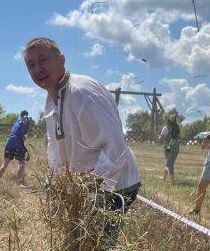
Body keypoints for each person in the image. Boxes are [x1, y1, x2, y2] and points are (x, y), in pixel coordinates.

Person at [23, 37, 140, 232]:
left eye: (43, 60)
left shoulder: (82, 92)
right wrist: (56, 184)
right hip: (86, 188)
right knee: (79, 246)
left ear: (61, 60)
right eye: (31, 65)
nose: (37, 69)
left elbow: (116, 149)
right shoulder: (51, 99)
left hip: (114, 188)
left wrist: (89, 191)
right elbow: (56, 147)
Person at [0, 110, 32, 184]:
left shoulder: (16, 122)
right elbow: (25, 120)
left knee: (5, 164)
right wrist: (27, 119)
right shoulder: (24, 120)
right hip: (17, 145)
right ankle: (17, 183)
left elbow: (19, 132)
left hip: (9, 143)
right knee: (22, 164)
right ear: (25, 115)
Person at [158, 112, 181, 181]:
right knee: (169, 162)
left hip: (168, 146)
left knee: (169, 163)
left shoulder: (165, 128)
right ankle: (164, 177)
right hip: (176, 146)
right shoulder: (177, 127)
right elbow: (176, 138)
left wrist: (159, 138)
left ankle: (172, 180)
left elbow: (161, 139)